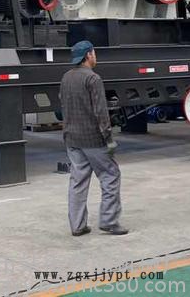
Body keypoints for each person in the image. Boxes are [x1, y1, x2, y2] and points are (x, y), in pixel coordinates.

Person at [59, 40, 127, 236]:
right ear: (88, 55)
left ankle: (77, 225)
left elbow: (63, 106)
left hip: (72, 138)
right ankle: (109, 221)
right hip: (93, 139)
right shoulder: (93, 78)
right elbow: (100, 111)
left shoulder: (66, 77)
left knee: (78, 181)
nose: (95, 56)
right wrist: (108, 137)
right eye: (94, 53)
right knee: (110, 175)